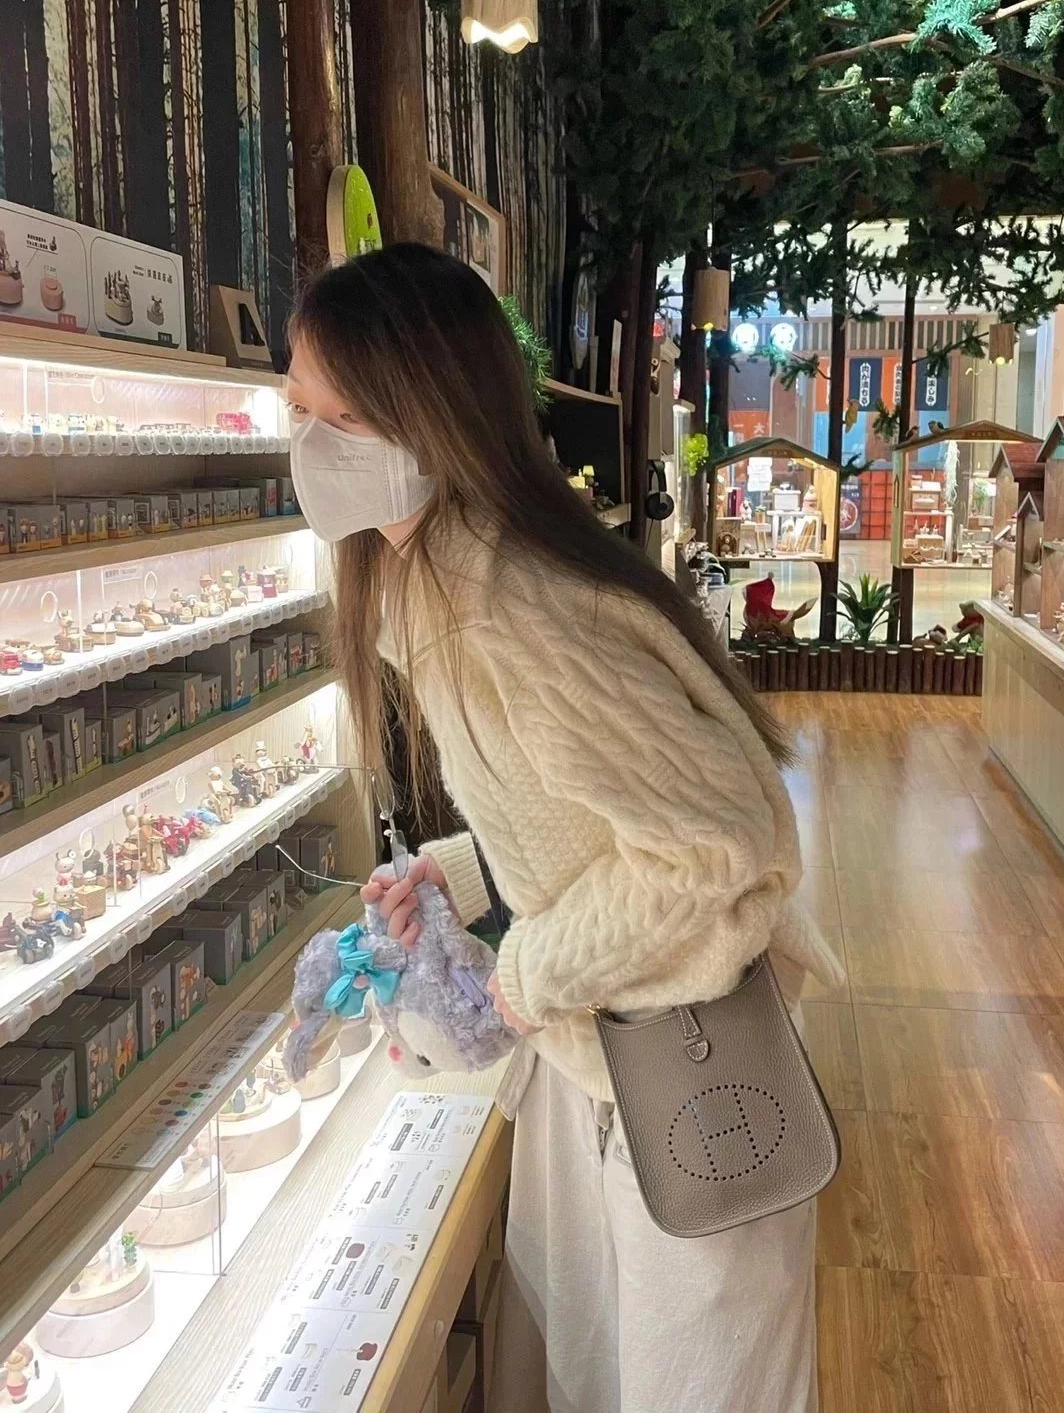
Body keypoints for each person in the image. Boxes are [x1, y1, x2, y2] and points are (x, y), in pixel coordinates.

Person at [285, 243, 843, 1413]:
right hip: (609, 1066)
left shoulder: (514, 607)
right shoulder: (437, 587)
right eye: (299, 415)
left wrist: (524, 975)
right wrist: (454, 876)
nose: (309, 451)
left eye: (338, 419)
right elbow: (578, 813)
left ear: (426, 417)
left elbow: (714, 845)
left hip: (685, 1072)